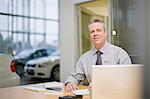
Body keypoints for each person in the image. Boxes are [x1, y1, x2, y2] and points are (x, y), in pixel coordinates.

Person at [65, 16, 132, 92]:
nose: (95, 34)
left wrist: (103, 84)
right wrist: (69, 83)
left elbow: (128, 79)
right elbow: (75, 76)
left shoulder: (120, 54)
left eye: (98, 30)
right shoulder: (85, 58)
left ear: (105, 33)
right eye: (92, 31)